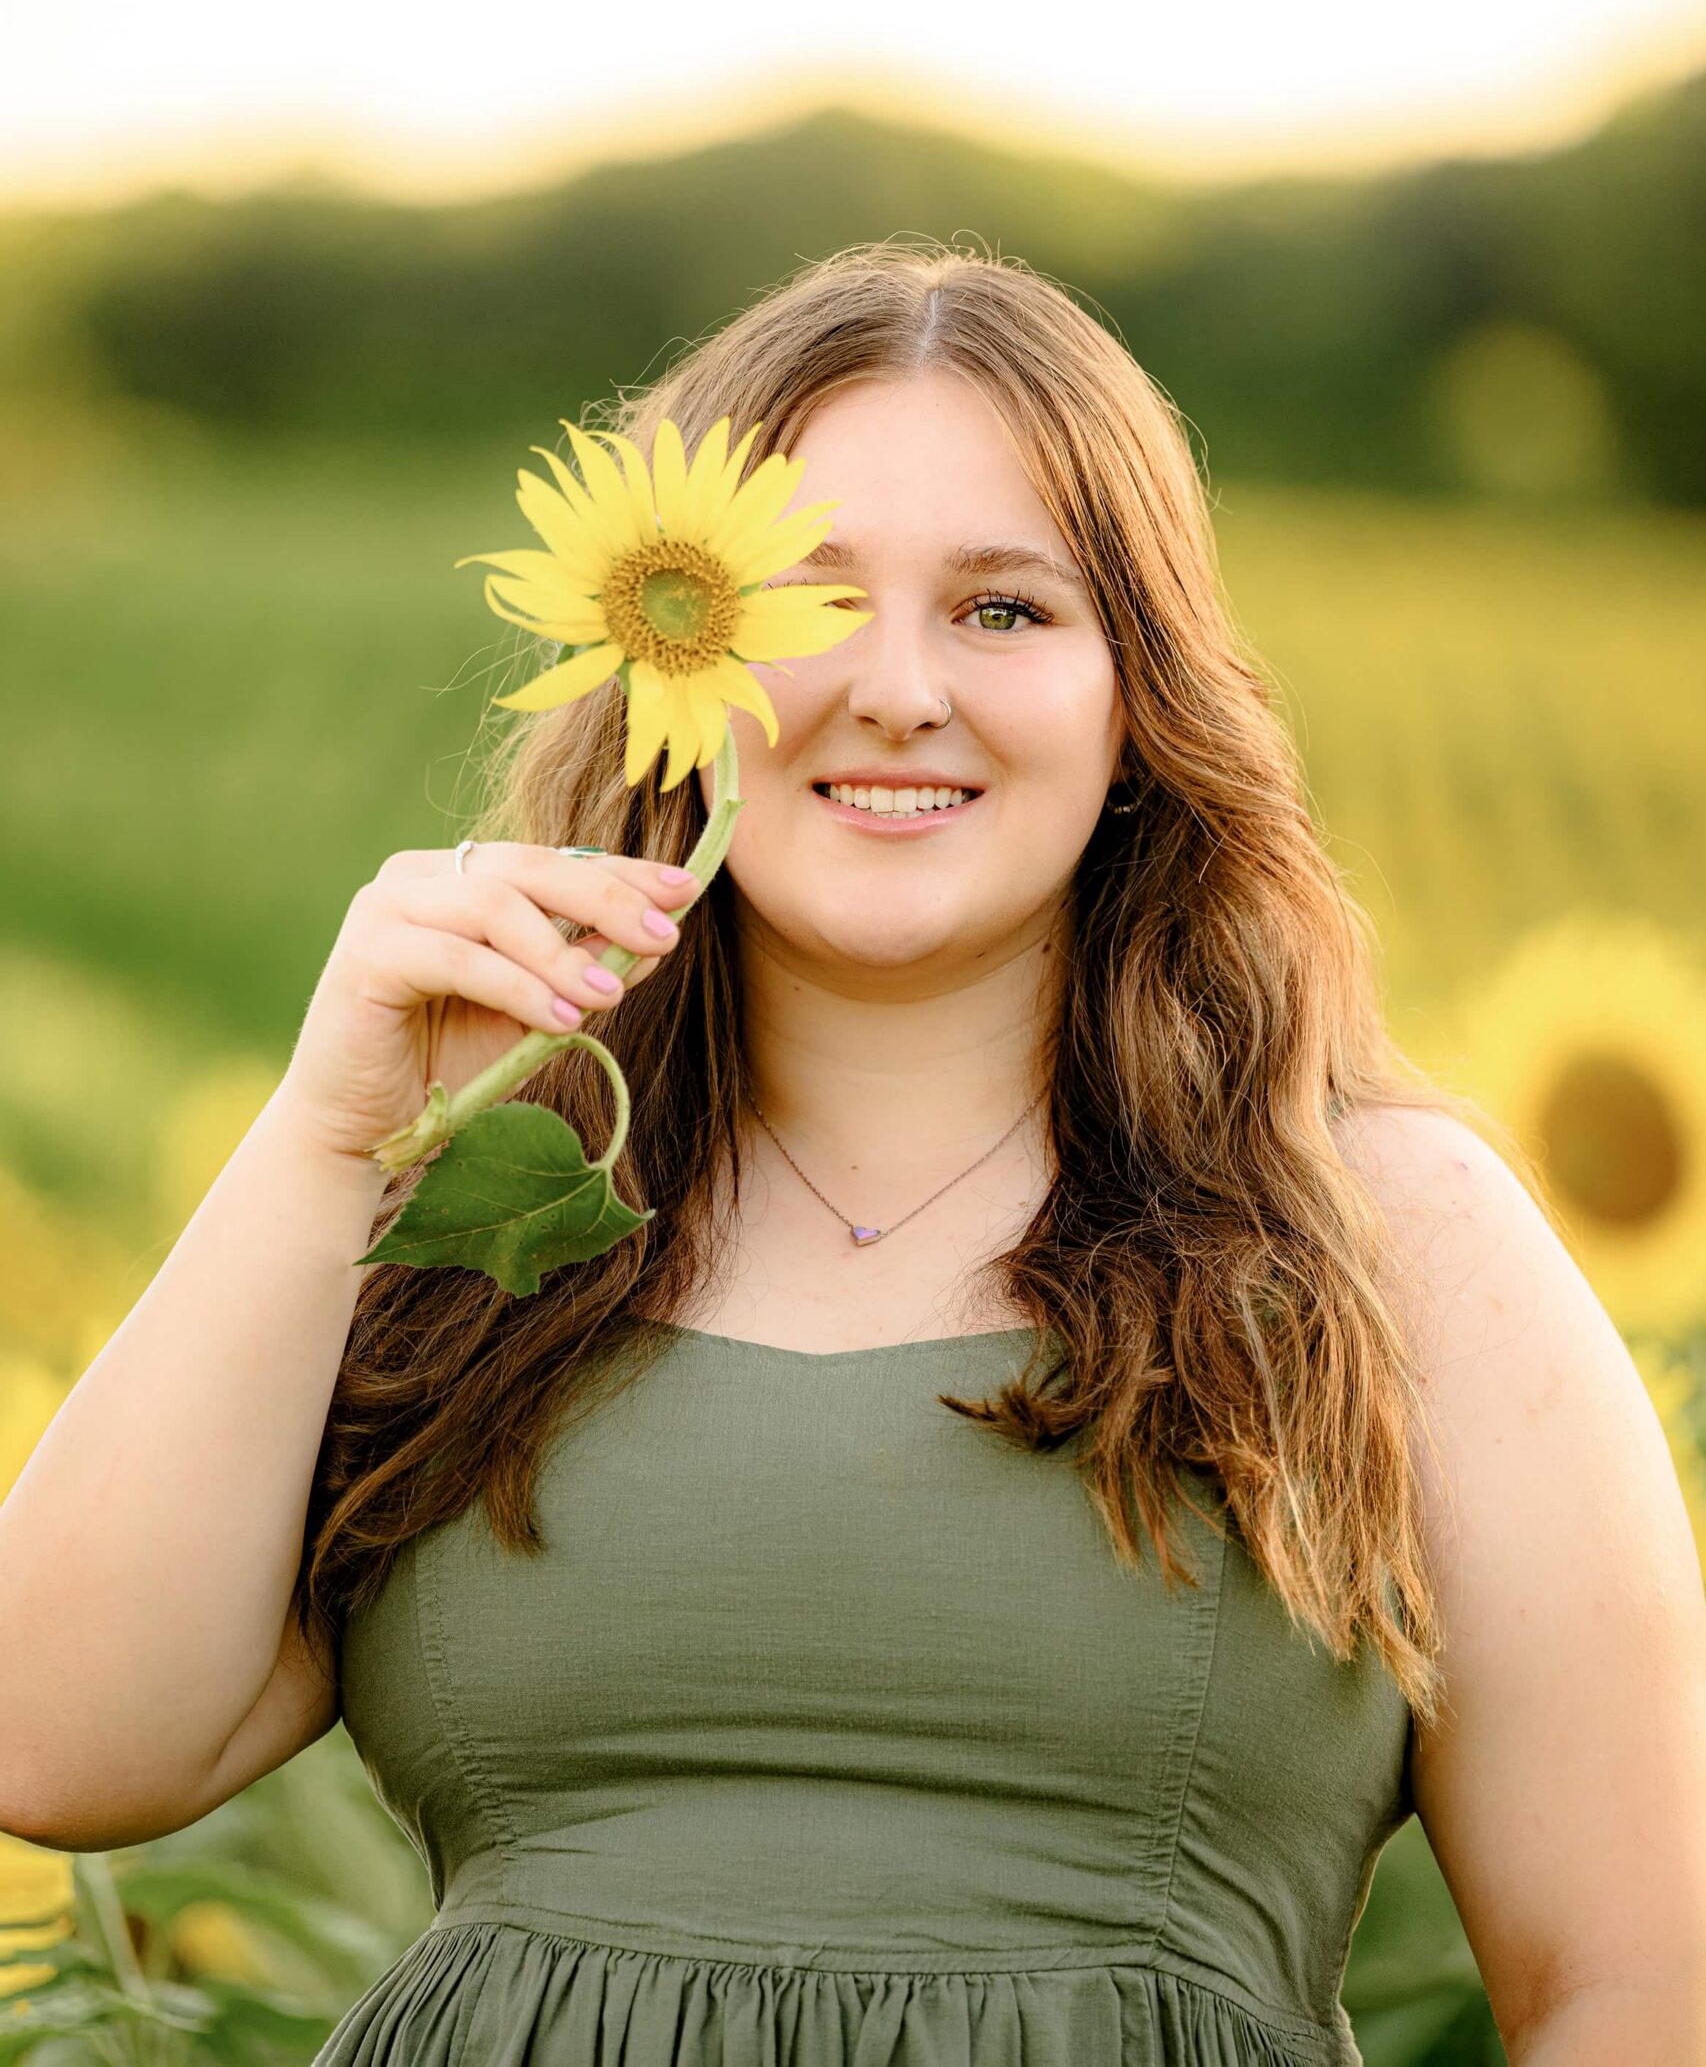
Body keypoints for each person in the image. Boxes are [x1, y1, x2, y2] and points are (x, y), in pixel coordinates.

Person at [2, 244, 1702, 2064]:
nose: (894, 690)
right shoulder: (483, 1225)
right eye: (803, 605)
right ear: (664, 658)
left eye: (1002, 610)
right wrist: (336, 1130)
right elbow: (60, 1734)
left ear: (1138, 700)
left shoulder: (1390, 1235)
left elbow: (1641, 1983)